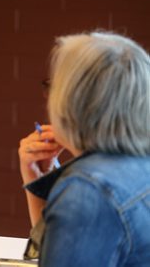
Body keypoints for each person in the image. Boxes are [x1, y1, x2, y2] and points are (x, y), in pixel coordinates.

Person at [18, 31, 150, 266]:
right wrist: (36, 180)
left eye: (53, 87)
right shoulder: (139, 163)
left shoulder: (89, 190)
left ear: (74, 102)